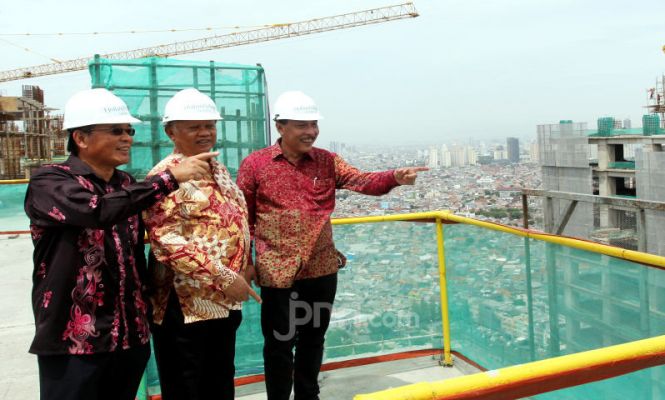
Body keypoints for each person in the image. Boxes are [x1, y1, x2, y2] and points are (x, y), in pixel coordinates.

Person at [24, 88, 216, 400]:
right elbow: (96, 211)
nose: (127, 138)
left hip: (129, 335)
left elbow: (136, 249)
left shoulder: (127, 184)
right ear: (81, 138)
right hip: (74, 338)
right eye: (115, 131)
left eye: (129, 130)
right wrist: (169, 179)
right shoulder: (50, 181)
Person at [236, 90, 428, 400]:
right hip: (277, 271)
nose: (311, 131)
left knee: (313, 339)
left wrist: (395, 177)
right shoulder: (256, 164)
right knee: (279, 344)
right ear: (281, 127)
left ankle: (308, 396)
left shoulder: (327, 161)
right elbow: (243, 216)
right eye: (302, 125)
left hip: (321, 268)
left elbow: (363, 181)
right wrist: (246, 262)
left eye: (314, 124)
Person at [143, 88, 261, 400]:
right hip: (184, 307)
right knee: (186, 386)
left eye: (209, 125)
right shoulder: (164, 175)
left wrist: (245, 265)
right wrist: (223, 275)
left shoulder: (217, 169)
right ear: (171, 132)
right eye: (194, 126)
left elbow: (234, 221)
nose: (205, 132)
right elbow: (166, 241)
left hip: (222, 302)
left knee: (220, 383)